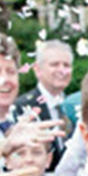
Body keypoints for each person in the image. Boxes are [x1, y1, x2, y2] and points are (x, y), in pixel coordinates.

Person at [13, 39, 76, 168]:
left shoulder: (73, 107)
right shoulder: (22, 107)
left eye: (66, 65)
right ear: (37, 69)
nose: (62, 70)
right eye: (55, 65)